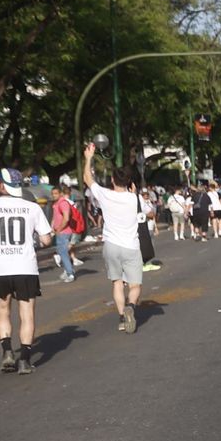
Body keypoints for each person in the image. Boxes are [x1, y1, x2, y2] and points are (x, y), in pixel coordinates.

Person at [0, 167, 54, 374]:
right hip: (26, 268)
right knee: (27, 314)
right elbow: (46, 240)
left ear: (1, 185)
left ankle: (7, 351)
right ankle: (24, 360)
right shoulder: (32, 207)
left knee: (2, 310)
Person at [82, 143, 146, 333]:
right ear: (129, 182)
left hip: (111, 245)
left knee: (117, 283)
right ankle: (131, 307)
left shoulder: (105, 194)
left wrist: (88, 158)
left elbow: (87, 178)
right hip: (131, 246)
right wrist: (134, 194)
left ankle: (121, 318)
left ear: (112, 180)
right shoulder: (135, 199)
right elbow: (148, 214)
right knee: (135, 285)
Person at [50, 183, 85, 283]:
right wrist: (53, 228)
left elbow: (66, 218)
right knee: (62, 252)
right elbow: (55, 217)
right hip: (60, 232)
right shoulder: (56, 204)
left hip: (64, 232)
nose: (54, 195)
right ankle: (67, 271)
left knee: (64, 253)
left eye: (56, 193)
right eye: (53, 194)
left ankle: (70, 273)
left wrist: (59, 229)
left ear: (61, 193)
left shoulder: (63, 203)